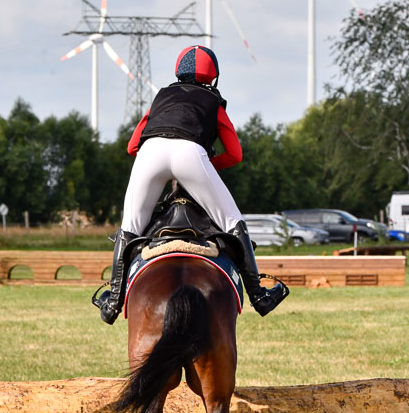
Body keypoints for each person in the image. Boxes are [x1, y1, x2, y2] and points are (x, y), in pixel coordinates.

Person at [95, 45, 288, 324]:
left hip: (150, 154)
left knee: (130, 226)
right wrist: (201, 170)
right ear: (213, 77)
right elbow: (235, 154)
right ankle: (259, 295)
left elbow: (132, 146)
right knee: (233, 221)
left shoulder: (161, 97)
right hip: (190, 155)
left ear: (178, 71)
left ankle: (112, 302)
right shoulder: (213, 101)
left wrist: (164, 169)